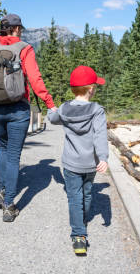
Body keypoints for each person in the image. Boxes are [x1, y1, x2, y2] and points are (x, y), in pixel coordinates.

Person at [0, 13, 57, 222]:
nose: (21, 31)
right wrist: (50, 104)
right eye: (20, 28)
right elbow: (35, 79)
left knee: (3, 149)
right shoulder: (25, 49)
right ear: (16, 29)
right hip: (17, 110)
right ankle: (9, 205)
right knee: (13, 155)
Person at [46, 65, 108, 255]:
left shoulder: (64, 108)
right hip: (91, 163)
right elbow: (100, 135)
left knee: (74, 198)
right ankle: (82, 220)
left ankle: (78, 236)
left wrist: (51, 110)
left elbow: (53, 118)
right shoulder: (96, 110)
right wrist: (103, 157)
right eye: (95, 86)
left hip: (71, 164)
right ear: (90, 89)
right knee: (87, 193)